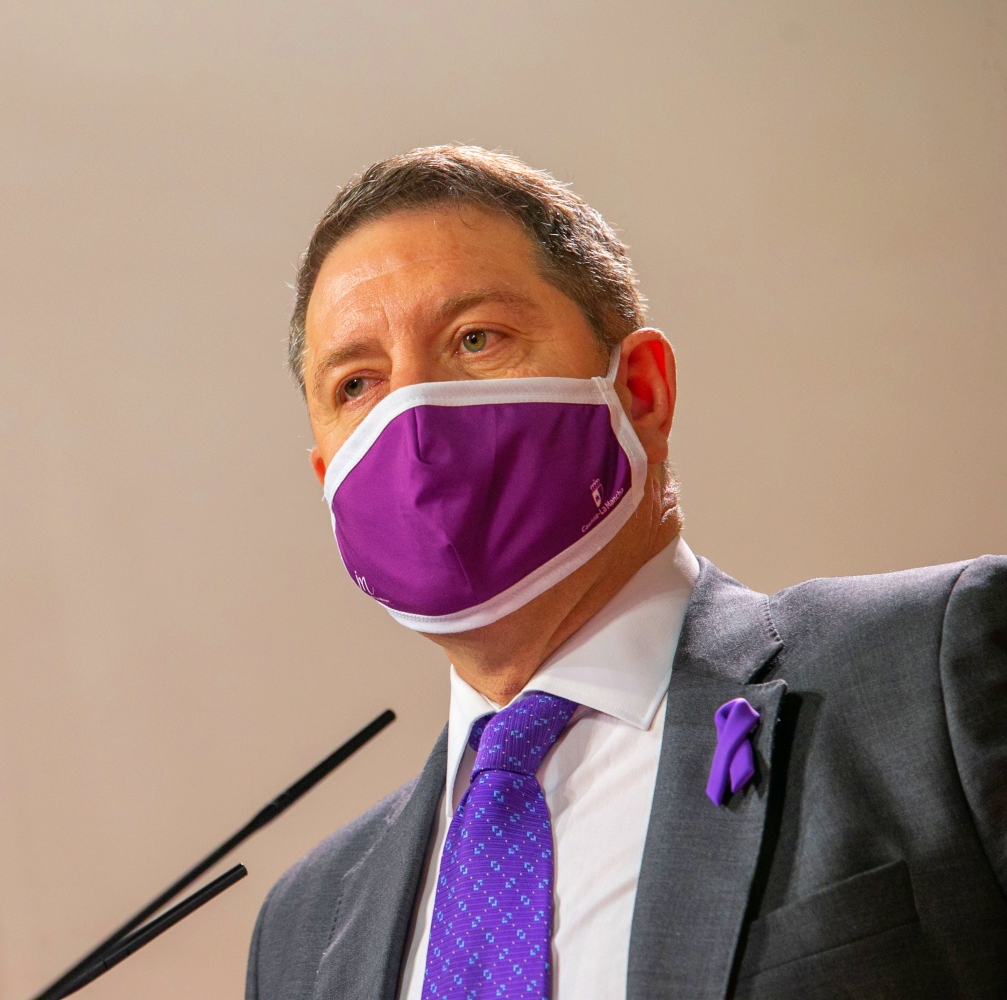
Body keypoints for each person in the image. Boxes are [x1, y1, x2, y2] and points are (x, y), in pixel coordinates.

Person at [246, 146, 1007, 1000]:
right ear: (328, 479)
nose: (413, 417)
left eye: (476, 339)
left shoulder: (930, 676)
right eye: (357, 385)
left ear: (640, 391)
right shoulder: (302, 930)